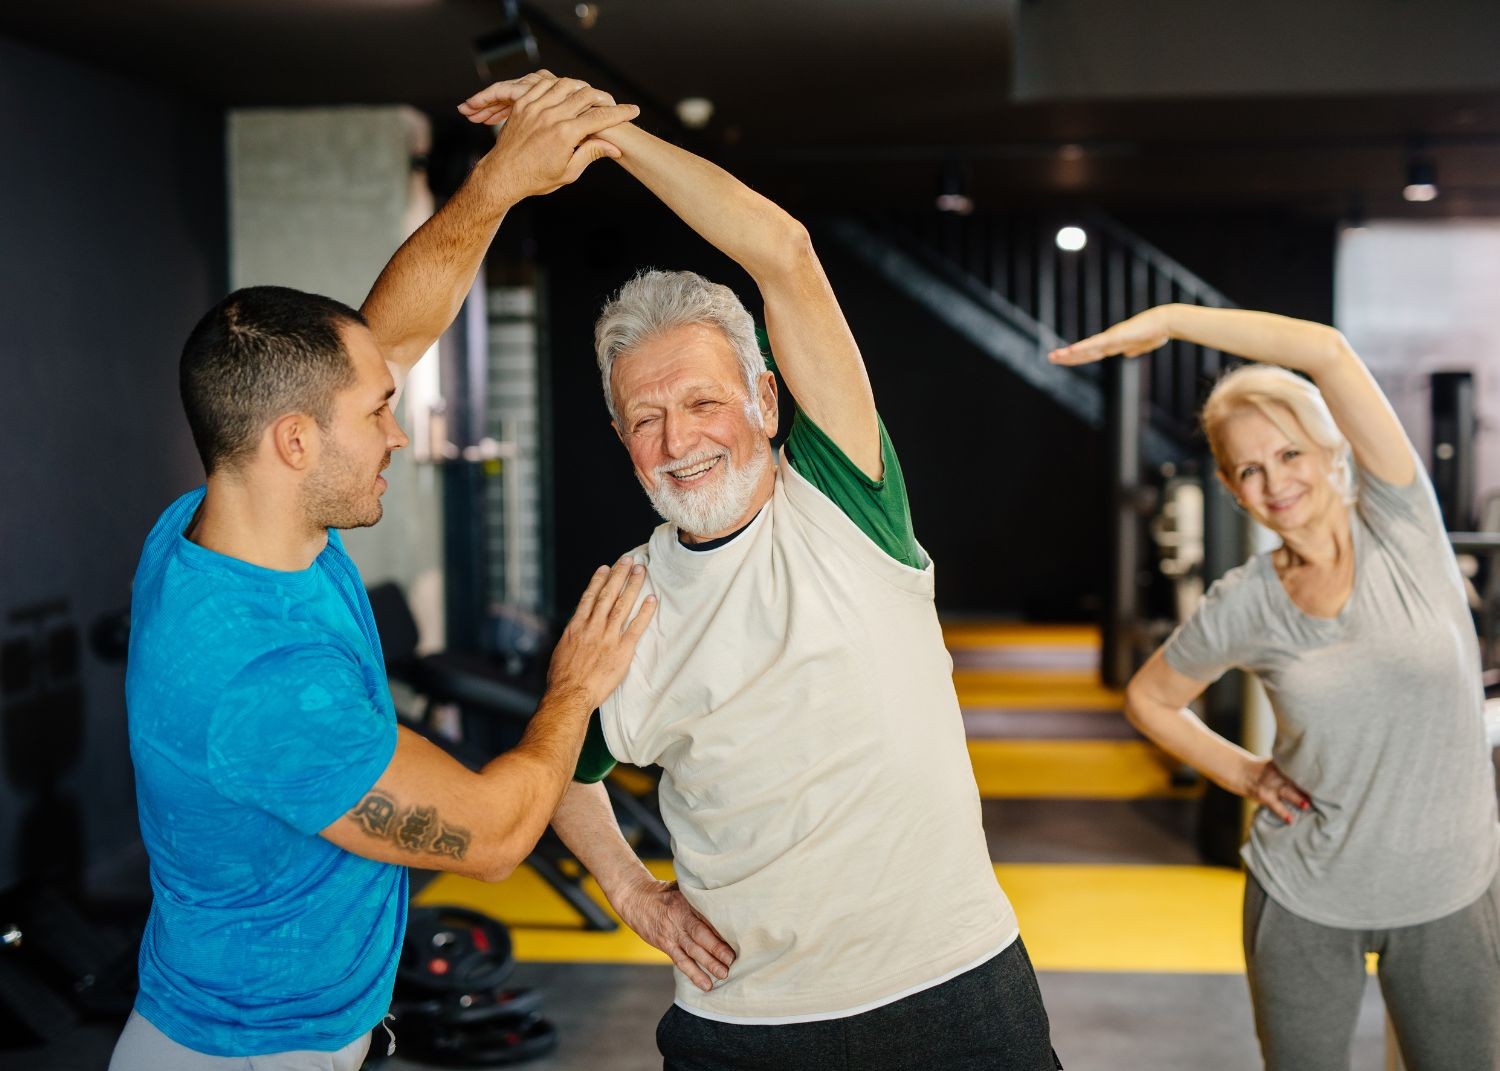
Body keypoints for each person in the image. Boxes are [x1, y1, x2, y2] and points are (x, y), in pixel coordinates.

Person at [456, 81, 1061, 1071]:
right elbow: (562, 767)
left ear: (767, 401)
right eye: (644, 420)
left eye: (702, 402)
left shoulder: (842, 497)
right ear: (620, 439)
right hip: (741, 1024)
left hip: (951, 991)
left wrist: (609, 136)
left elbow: (782, 253)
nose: (677, 440)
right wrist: (632, 892)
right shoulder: (630, 603)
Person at [110, 76, 653, 1071]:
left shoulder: (205, 525)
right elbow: (492, 838)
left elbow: (391, 333)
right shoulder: (263, 688)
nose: (399, 435)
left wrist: (497, 184)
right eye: (377, 417)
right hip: (248, 1056)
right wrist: (577, 687)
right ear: (292, 442)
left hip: (303, 1033)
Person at [1050, 304, 1500, 1071]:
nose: (1275, 482)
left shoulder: (1404, 525)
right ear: (1231, 486)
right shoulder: (1244, 601)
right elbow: (1150, 699)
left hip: (1450, 894)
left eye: (1289, 453)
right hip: (1303, 897)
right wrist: (1245, 772)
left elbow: (1324, 350)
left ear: (1330, 452)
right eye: (1248, 469)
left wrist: (1171, 322)